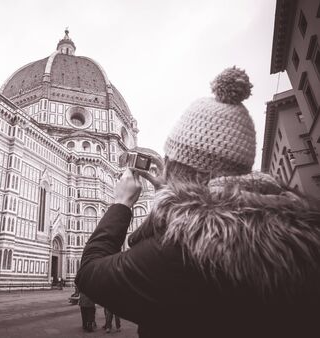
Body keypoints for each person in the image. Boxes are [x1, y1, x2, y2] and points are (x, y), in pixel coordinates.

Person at [75, 67, 320, 338]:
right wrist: (173, 199)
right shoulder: (302, 235)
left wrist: (121, 204)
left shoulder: (183, 251)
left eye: (170, 161)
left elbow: (89, 273)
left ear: (180, 169)